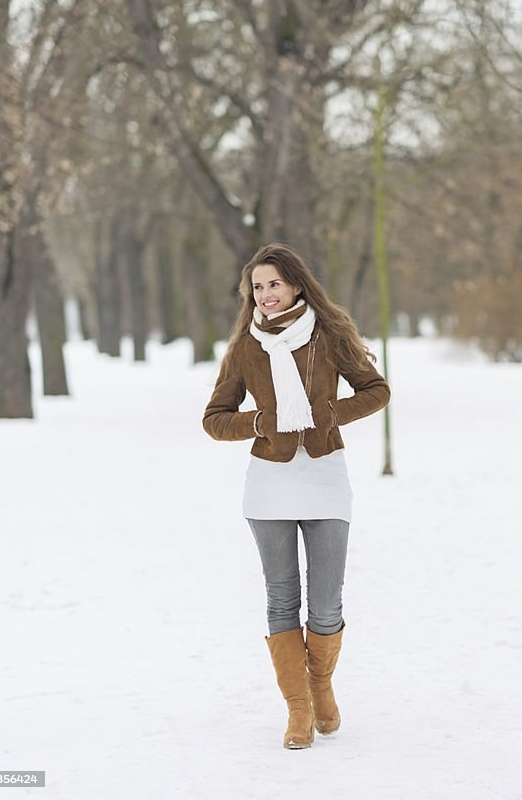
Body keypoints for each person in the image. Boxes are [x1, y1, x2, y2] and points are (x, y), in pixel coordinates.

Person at [203, 242, 390, 750]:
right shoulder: (245, 346)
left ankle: (321, 684)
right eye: (257, 287)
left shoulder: (328, 337)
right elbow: (214, 420)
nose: (264, 295)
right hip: (269, 486)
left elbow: (376, 390)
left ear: (296, 286)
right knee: (281, 599)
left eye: (273, 284)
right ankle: (298, 709)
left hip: (326, 478)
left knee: (326, 604)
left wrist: (327, 414)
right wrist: (262, 422)